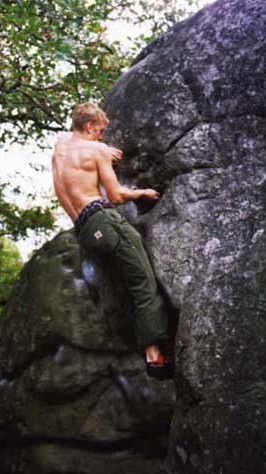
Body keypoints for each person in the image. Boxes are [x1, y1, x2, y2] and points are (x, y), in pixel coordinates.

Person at [52, 102, 172, 379]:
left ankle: (142, 341)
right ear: (90, 127)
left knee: (122, 285)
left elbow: (70, 141)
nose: (103, 137)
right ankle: (155, 356)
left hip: (83, 232)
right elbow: (115, 196)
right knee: (143, 281)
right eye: (101, 131)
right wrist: (141, 192)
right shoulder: (96, 150)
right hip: (104, 220)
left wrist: (99, 149)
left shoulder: (59, 149)